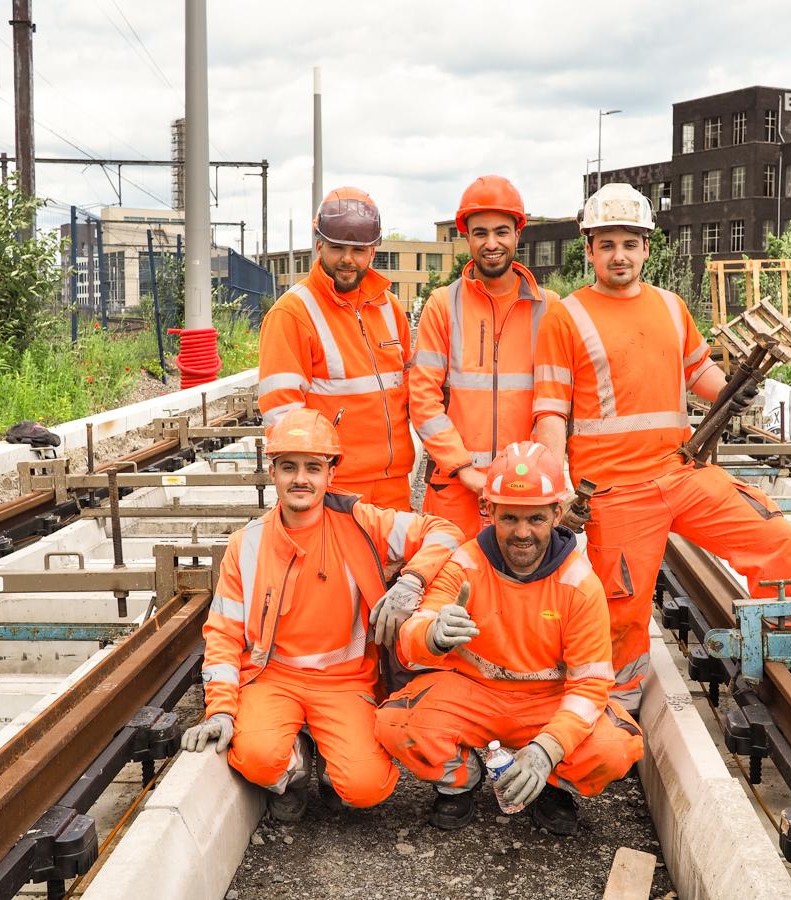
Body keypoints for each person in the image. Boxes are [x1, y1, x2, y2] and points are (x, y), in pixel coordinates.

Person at [533, 183, 791, 712]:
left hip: (681, 472)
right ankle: (616, 709)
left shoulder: (670, 306)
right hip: (613, 493)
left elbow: (698, 372)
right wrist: (557, 488)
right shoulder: (565, 317)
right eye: (607, 243)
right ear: (589, 249)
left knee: (773, 535)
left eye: (630, 243)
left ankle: (787, 653)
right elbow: (549, 410)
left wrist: (735, 389)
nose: (620, 255)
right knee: (620, 613)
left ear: (645, 248)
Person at [182, 408, 463, 822]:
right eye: (289, 467)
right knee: (258, 758)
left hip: (345, 680)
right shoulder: (247, 545)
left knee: (366, 787)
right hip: (273, 678)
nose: (301, 479)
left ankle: (332, 766)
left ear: (331, 473)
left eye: (313, 467)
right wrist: (220, 710)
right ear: (272, 472)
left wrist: (412, 581)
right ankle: (295, 763)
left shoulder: (362, 523)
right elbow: (223, 635)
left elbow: (446, 531)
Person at [375, 441, 643, 836]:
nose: (522, 533)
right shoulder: (465, 564)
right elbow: (411, 643)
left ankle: (550, 785)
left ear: (556, 513)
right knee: (395, 723)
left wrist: (546, 750)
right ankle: (461, 781)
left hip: (548, 702)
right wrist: (432, 634)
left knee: (616, 748)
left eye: (535, 518)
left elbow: (589, 686)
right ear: (490, 512)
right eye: (509, 518)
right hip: (473, 694)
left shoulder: (579, 584)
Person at [410, 176, 559, 538]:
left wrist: (538, 473)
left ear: (517, 234)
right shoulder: (444, 305)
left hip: (523, 494)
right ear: (467, 237)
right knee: (450, 586)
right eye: (480, 233)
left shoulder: (549, 309)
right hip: (456, 488)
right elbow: (423, 399)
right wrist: (464, 469)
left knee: (516, 590)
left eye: (501, 232)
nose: (491, 244)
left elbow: (555, 402)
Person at [257, 187, 414, 511]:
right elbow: (283, 414)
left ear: (372, 252)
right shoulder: (293, 313)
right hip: (335, 488)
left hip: (394, 483)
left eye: (358, 250)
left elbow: (410, 387)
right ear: (319, 246)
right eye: (337, 248)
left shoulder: (390, 308)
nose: (347, 259)